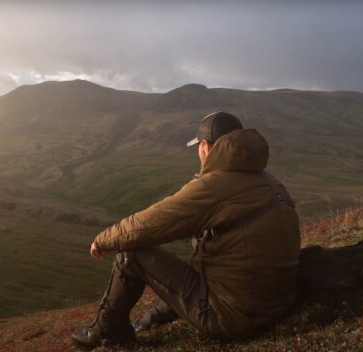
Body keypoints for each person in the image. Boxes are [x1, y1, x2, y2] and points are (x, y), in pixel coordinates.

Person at [72, 111, 301, 348]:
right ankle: (152, 318)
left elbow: (151, 223)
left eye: (198, 146)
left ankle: (105, 331)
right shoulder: (271, 181)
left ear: (205, 146)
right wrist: (157, 315)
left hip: (234, 319)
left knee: (131, 255)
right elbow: (220, 268)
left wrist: (103, 240)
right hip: (278, 306)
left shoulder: (214, 186)